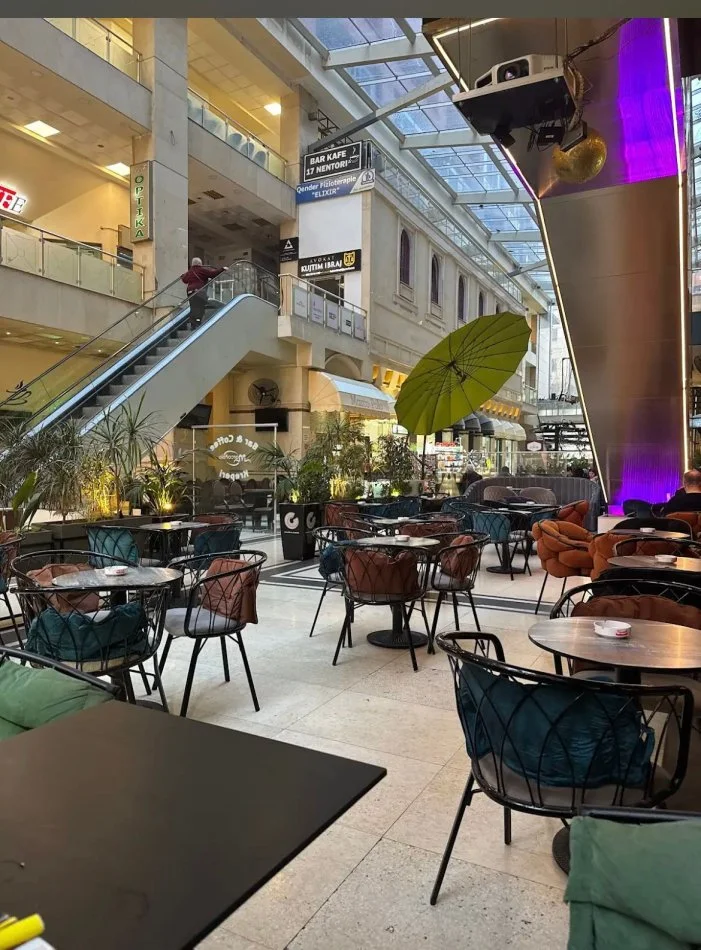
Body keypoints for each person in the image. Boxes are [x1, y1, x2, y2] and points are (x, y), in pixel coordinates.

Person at [180, 257, 228, 329]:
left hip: (190, 291)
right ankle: (197, 322)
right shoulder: (201, 270)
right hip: (199, 291)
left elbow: (185, 280)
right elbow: (213, 274)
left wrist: (182, 276)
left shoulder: (189, 272)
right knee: (200, 307)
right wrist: (222, 269)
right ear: (200, 264)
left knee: (193, 307)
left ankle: (193, 323)